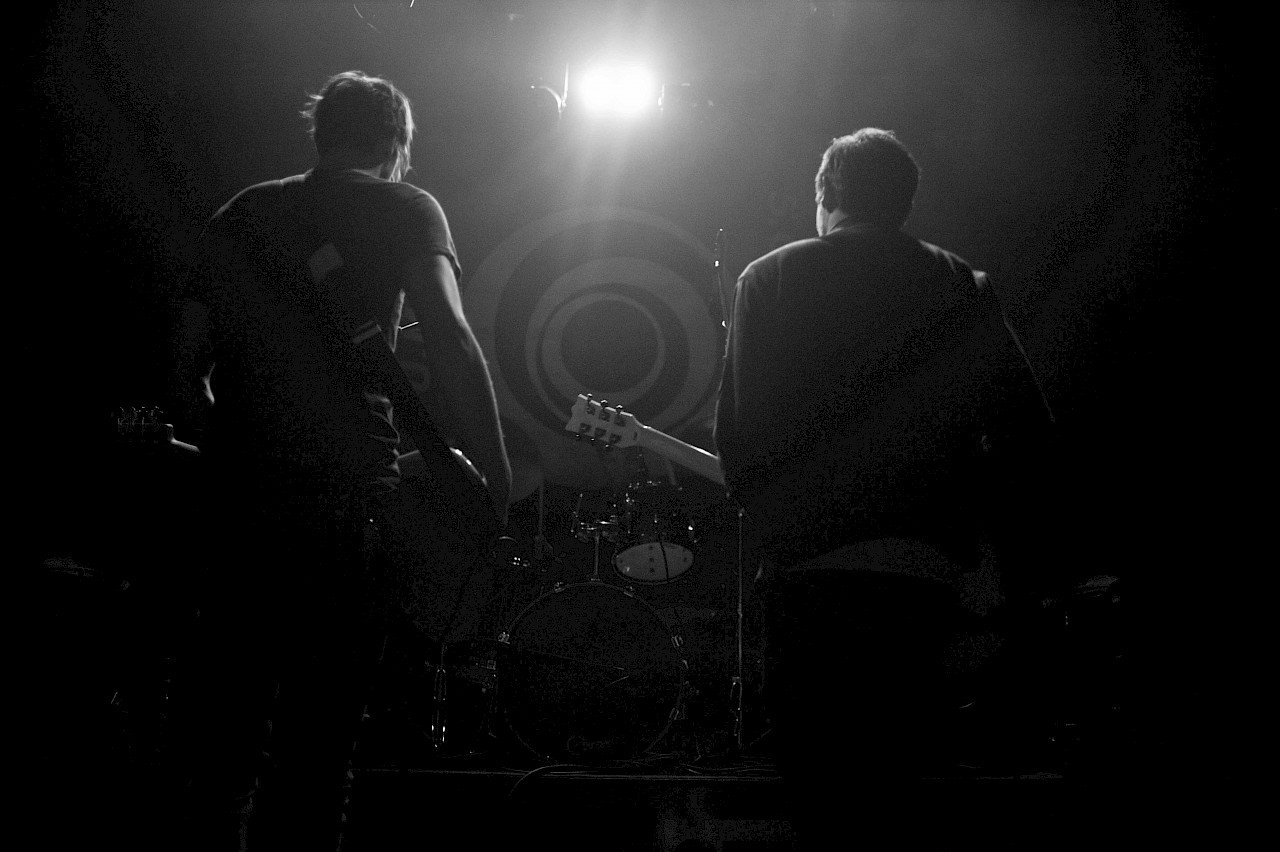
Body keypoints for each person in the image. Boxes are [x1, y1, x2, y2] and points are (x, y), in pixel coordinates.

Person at [167, 70, 511, 850]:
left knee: (220, 744)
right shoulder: (407, 206)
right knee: (319, 752)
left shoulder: (245, 211)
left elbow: (182, 366)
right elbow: (451, 340)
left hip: (237, 511)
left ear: (320, 134)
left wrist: (231, 458)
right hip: (345, 501)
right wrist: (494, 473)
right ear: (397, 143)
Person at [714, 128, 1053, 850]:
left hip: (811, 575)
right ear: (903, 202)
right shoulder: (960, 283)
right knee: (900, 796)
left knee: (819, 796)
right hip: (921, 577)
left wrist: (781, 529)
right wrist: (986, 553)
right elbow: (1025, 431)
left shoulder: (768, 278)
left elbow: (741, 440)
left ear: (825, 195)